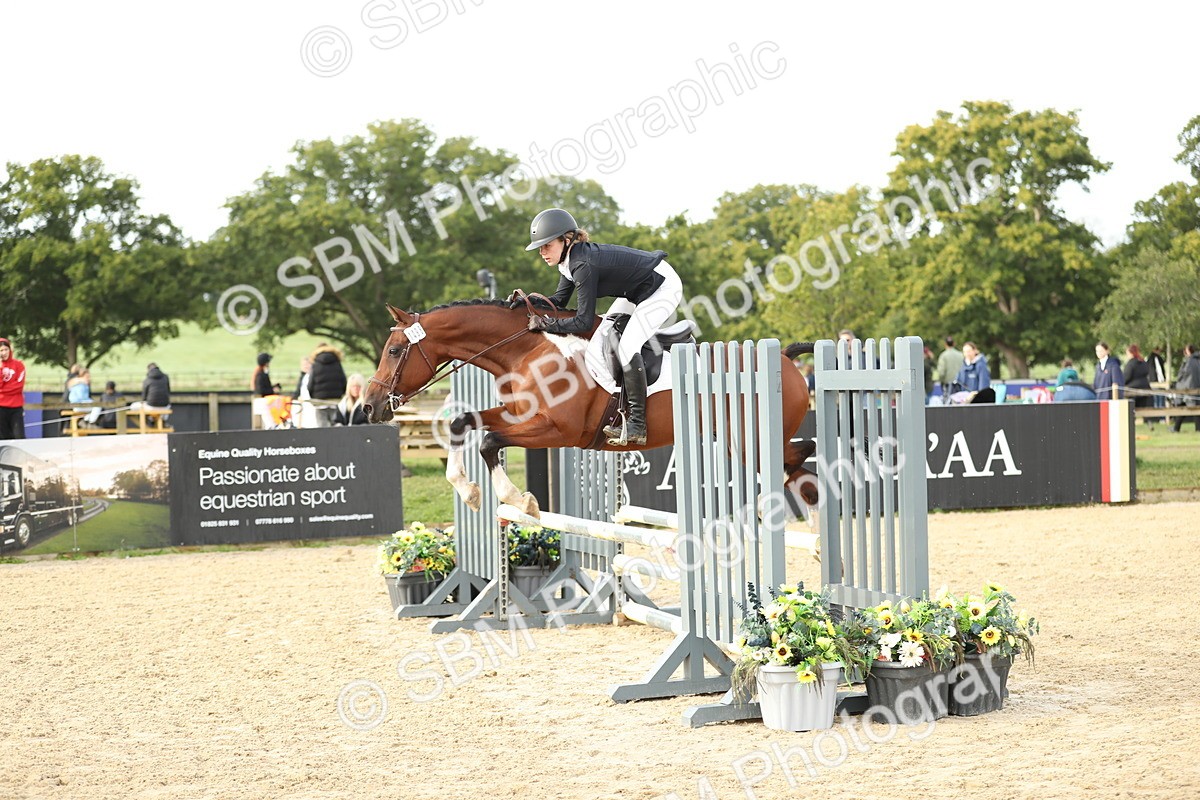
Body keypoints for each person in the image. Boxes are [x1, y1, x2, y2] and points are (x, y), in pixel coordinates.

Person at [522, 207, 682, 446]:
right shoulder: (567, 261)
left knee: (627, 347)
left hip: (661, 288)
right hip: (636, 291)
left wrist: (545, 324)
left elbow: (583, 321)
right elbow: (558, 302)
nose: (542, 252)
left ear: (567, 240)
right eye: (540, 247)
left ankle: (638, 423)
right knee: (606, 330)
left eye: (547, 245)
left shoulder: (583, 264)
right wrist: (526, 303)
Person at [307, 343, 347, 427]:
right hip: (335, 400)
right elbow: (343, 380)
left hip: (319, 401)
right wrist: (342, 393)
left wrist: (313, 397)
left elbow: (310, 384)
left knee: (322, 426)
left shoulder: (315, 364)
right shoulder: (337, 362)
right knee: (335, 424)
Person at [0, 338, 26, 439]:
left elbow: (18, 386)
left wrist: (2, 390)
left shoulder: (19, 365)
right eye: (1, 350)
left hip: (16, 407)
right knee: (3, 436)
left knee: (18, 435)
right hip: (1, 406)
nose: (4, 353)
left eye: (6, 349)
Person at [1172, 344, 1200, 433]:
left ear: (1188, 351)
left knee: (1187, 407)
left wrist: (1178, 386)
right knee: (1192, 407)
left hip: (1188, 388)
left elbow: (1182, 375)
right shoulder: (1197, 361)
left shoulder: (1188, 362)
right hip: (1196, 387)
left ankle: (1177, 428)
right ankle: (1177, 427)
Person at [1122, 345, 1152, 409]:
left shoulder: (1130, 364)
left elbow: (1126, 377)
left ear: (1131, 353)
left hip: (1133, 389)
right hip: (1145, 387)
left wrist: (1122, 383)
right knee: (1144, 409)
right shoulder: (1143, 362)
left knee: (1132, 410)